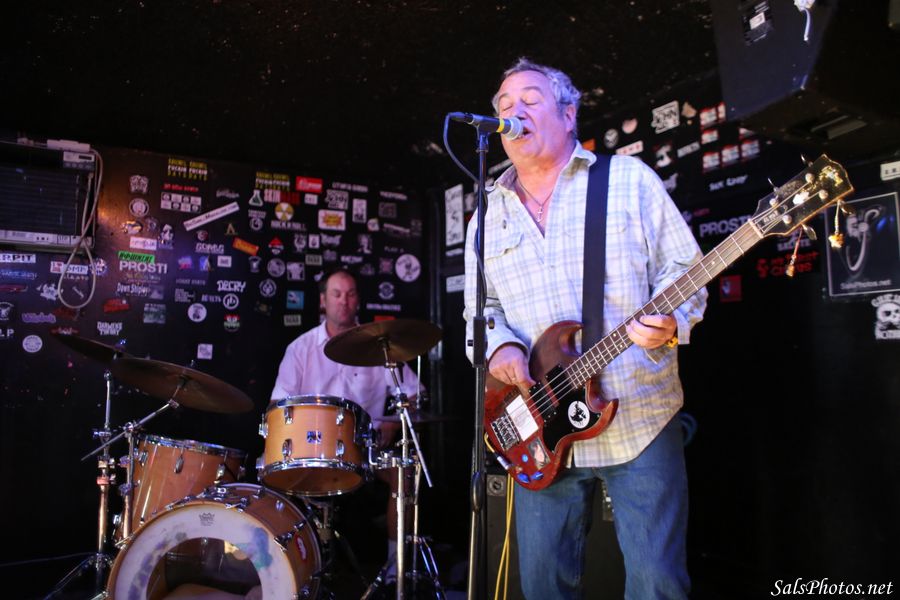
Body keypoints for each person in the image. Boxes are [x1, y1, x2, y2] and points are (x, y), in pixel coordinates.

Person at [463, 58, 707, 599]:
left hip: (639, 416)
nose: (513, 111)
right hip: (538, 427)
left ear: (568, 114)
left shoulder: (627, 181)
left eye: (530, 100)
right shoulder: (486, 217)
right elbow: (481, 310)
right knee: (542, 586)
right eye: (504, 105)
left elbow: (684, 271)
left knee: (657, 584)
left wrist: (670, 324)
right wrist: (499, 346)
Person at [270, 267, 419, 576]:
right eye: (336, 294)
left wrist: (393, 423)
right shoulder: (300, 349)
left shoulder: (379, 344)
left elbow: (414, 393)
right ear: (323, 301)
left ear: (357, 300)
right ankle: (293, 569)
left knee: (405, 474)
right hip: (313, 448)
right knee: (278, 473)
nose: (344, 301)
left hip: (366, 448)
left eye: (350, 294)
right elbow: (278, 405)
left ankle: (396, 570)